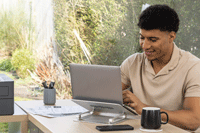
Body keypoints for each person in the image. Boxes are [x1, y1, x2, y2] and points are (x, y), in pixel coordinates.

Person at [121, 4, 200, 131]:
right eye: (142, 38)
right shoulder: (133, 62)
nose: (145, 46)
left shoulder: (193, 67)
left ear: (171, 37)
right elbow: (104, 96)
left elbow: (193, 120)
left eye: (152, 40)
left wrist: (144, 109)